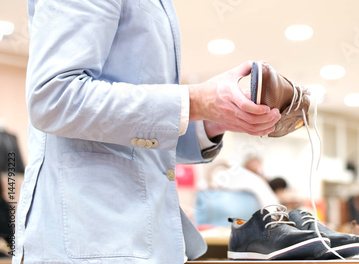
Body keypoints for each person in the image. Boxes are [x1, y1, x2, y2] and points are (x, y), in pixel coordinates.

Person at [16, 1, 281, 264]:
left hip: (147, 241)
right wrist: (194, 102)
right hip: (90, 239)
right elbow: (53, 97)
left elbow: (140, 131)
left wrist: (212, 120)